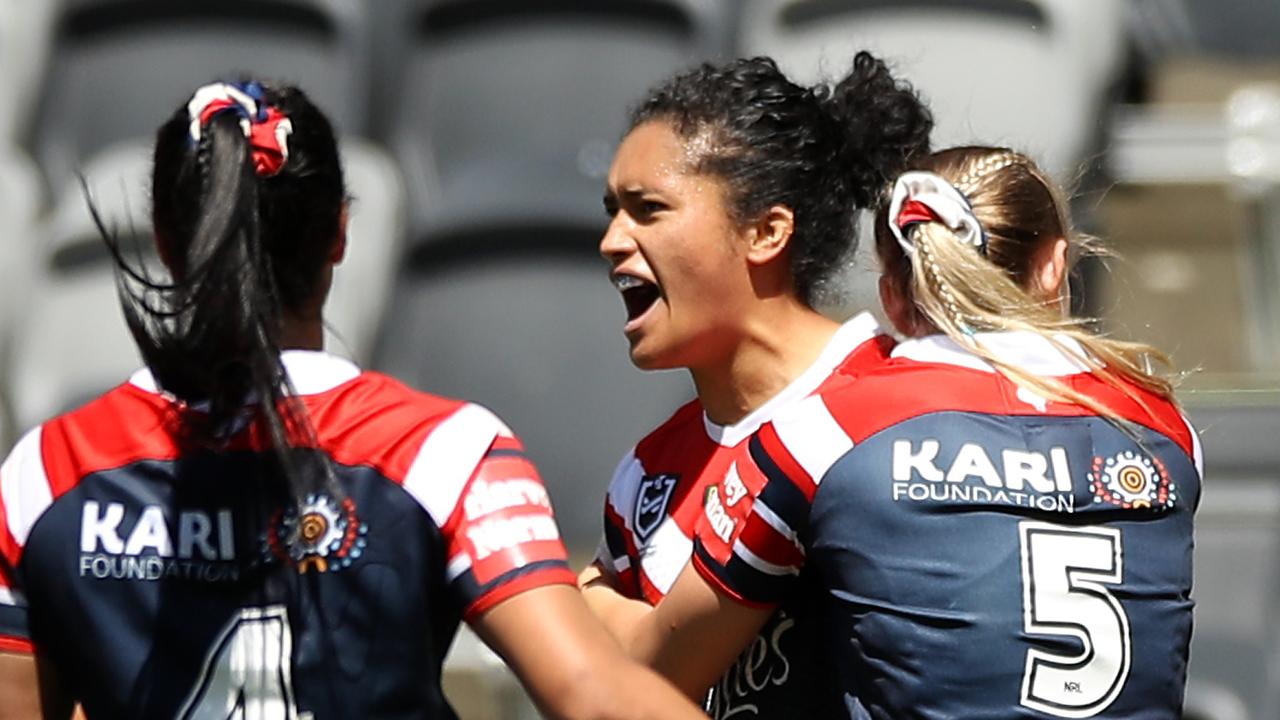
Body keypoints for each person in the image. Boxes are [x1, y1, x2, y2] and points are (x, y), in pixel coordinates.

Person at [0, 80, 706, 720]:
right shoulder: (445, 452)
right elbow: (592, 697)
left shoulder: (45, 473)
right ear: (340, 233)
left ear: (164, 239)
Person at [622, 145, 1202, 718]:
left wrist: (593, 599)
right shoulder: (1163, 427)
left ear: (893, 296)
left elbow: (652, 678)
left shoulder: (822, 431)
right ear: (1054, 264)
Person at [581, 53, 932, 717]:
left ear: (765, 231)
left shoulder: (903, 411)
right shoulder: (645, 475)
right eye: (611, 211)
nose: (610, 241)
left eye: (646, 209)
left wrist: (584, 600)